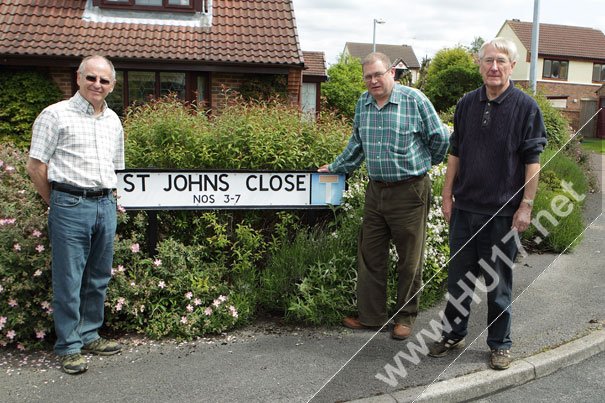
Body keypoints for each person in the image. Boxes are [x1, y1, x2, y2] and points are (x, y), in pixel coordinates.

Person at [427, 38, 547, 370]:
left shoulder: (526, 108)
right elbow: (456, 153)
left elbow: (532, 163)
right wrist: (447, 194)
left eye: (501, 61)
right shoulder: (466, 104)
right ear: (480, 65)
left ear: (512, 66)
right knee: (458, 280)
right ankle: (453, 334)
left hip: (502, 214)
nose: (494, 67)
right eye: (488, 60)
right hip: (464, 210)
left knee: (498, 284)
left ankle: (499, 344)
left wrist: (527, 205)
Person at [318, 52, 450, 340]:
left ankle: (405, 317)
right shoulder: (363, 104)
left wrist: (429, 164)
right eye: (368, 76)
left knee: (409, 258)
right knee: (371, 254)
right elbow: (356, 145)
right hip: (376, 190)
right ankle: (371, 317)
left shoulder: (414, 100)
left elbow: (441, 137)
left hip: (410, 190)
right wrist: (336, 167)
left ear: (391, 72)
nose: (373, 81)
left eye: (378, 74)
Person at [27, 55, 125, 374]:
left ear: (111, 86)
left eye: (104, 80)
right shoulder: (55, 115)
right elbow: (36, 166)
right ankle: (69, 346)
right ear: (79, 78)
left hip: (104, 204)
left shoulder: (113, 121)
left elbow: (116, 168)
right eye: (92, 78)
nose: (98, 84)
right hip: (69, 204)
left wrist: (110, 200)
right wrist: (55, 202)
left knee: (97, 277)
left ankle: (90, 334)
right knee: (69, 279)